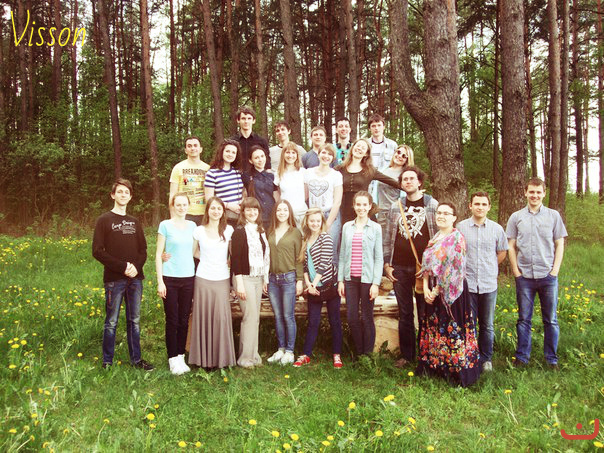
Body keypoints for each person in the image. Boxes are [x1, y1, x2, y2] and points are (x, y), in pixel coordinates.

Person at [417, 201, 481, 387]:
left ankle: (455, 371)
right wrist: (426, 288)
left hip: (452, 292)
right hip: (433, 290)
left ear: (454, 218)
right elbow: (426, 267)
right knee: (435, 328)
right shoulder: (434, 238)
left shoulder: (457, 239)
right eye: (439, 212)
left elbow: (452, 270)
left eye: (446, 213)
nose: (441, 216)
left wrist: (435, 291)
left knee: (452, 329)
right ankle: (436, 366)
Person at [92, 178, 153, 370]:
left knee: (134, 321)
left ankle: (136, 359)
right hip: (114, 280)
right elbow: (97, 251)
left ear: (130, 197)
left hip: (135, 279)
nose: (123, 194)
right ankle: (107, 361)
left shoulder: (135, 222)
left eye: (126, 192)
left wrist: (135, 267)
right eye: (119, 191)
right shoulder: (104, 220)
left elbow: (143, 250)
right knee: (111, 321)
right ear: (113, 195)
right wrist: (122, 267)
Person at [506, 177, 567, 369]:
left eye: (538, 192)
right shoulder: (516, 217)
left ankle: (551, 359)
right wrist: (516, 271)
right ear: (525, 193)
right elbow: (510, 245)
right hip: (524, 277)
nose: (534, 195)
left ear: (544, 193)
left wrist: (555, 270)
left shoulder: (553, 216)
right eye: (531, 191)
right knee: (524, 319)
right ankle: (522, 357)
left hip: (548, 276)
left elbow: (560, 243)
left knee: (551, 319)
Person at [383, 165, 438, 368]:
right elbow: (388, 237)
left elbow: (439, 236)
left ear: (419, 182)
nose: (408, 182)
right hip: (399, 267)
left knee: (425, 312)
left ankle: (426, 354)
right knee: (405, 313)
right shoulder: (395, 207)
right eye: (404, 179)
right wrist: (387, 264)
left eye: (411, 178)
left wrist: (432, 266)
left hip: (424, 269)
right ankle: (407, 356)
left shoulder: (431, 204)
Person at [456, 192, 508, 372]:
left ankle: (486, 359)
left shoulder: (497, 229)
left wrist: (490, 266)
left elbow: (502, 252)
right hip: (468, 284)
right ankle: (471, 356)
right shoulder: (460, 228)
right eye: (476, 203)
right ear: (470, 206)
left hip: (488, 284)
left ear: (489, 207)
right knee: (469, 323)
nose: (480, 207)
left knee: (487, 324)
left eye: (484, 204)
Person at [189, 197, 237, 369]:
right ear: (207, 211)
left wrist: (227, 263)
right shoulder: (199, 230)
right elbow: (193, 252)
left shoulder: (229, 230)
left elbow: (233, 254)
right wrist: (207, 258)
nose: (216, 211)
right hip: (203, 278)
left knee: (220, 318)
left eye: (219, 209)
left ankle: (220, 359)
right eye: (213, 208)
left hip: (222, 279)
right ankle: (203, 360)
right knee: (203, 317)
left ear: (223, 212)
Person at [294, 208, 344, 368]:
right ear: (307, 222)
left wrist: (313, 284)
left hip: (329, 286)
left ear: (322, 222)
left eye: (318, 221)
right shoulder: (306, 238)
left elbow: (324, 264)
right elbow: (304, 265)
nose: (315, 223)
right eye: (312, 221)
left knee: (334, 320)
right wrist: (308, 284)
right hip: (312, 287)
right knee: (313, 321)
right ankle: (306, 354)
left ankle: (337, 354)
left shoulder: (326, 238)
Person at [338, 191, 384, 358]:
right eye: (358, 204)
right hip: (350, 279)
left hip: (367, 280)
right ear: (354, 206)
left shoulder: (376, 228)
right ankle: (359, 353)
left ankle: (368, 355)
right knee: (351, 317)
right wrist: (340, 280)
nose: (361, 208)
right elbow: (342, 255)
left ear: (370, 206)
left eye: (365, 204)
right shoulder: (347, 227)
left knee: (366, 317)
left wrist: (375, 283)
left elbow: (379, 258)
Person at [155, 193, 196, 375]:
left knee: (184, 318)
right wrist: (160, 282)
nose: (181, 208)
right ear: (173, 206)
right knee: (172, 319)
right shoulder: (165, 225)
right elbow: (158, 254)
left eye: (184, 204)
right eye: (178, 205)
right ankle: (172, 358)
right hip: (170, 278)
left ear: (188, 206)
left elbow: (194, 252)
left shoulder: (193, 226)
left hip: (188, 278)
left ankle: (180, 355)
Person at [231, 197, 270, 368]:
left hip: (257, 277)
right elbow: (236, 260)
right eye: (248, 209)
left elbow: (265, 256)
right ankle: (244, 358)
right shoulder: (239, 231)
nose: (252, 212)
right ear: (243, 212)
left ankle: (254, 356)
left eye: (255, 209)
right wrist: (239, 284)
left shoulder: (261, 231)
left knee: (255, 318)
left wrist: (264, 279)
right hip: (244, 278)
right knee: (249, 317)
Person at [266, 200, 304, 365]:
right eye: (279, 210)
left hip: (289, 278)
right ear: (275, 213)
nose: (282, 213)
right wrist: (265, 278)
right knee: (278, 316)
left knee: (288, 316)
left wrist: (299, 280)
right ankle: (280, 349)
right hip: (273, 279)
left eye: (285, 210)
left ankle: (290, 351)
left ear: (289, 213)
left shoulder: (295, 232)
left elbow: (299, 259)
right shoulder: (270, 231)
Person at [337, 138, 400, 225]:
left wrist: (411, 188)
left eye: (363, 148)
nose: (359, 148)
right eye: (358, 146)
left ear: (366, 153)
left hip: (364, 209)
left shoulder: (369, 170)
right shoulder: (340, 169)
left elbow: (390, 181)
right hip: (345, 210)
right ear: (352, 148)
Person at [304, 143, 343, 263]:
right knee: (313, 249)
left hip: (330, 215)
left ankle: (333, 275)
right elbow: (305, 196)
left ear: (333, 158)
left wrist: (328, 224)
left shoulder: (336, 175)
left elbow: (337, 202)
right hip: (313, 216)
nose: (326, 156)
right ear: (318, 154)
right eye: (324, 152)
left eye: (330, 154)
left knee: (330, 251)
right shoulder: (308, 172)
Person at [169, 136, 210, 225]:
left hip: (203, 213)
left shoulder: (208, 169)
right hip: (183, 212)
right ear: (185, 150)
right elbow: (172, 195)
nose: (193, 148)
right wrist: (173, 218)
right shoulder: (178, 168)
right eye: (189, 146)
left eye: (195, 145)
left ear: (201, 149)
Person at [204, 139, 245, 227]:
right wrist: (228, 205)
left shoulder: (238, 172)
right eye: (227, 151)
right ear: (221, 152)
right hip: (224, 216)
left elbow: (242, 192)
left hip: (239, 217)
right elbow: (209, 199)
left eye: (233, 152)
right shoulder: (212, 173)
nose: (230, 154)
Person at [375, 144, 414, 234]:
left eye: (404, 156)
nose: (399, 156)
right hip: (379, 213)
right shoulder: (383, 169)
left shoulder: (405, 175)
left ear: (407, 160)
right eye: (398, 152)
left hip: (395, 214)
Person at [243, 145, 278, 229]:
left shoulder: (272, 176)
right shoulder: (246, 176)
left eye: (262, 156)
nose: (260, 160)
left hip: (271, 216)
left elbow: (276, 196)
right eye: (256, 158)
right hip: (254, 216)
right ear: (251, 161)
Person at [275, 142, 308, 228]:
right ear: (283, 154)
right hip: (286, 215)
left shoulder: (303, 172)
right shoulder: (278, 173)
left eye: (293, 153)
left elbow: (306, 193)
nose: (290, 155)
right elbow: (277, 193)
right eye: (288, 152)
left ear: (297, 155)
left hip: (302, 214)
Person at [230, 106, 270, 172]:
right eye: (243, 118)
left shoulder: (261, 141)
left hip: (257, 177)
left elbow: (267, 164)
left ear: (253, 121)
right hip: (237, 176)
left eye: (249, 118)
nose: (246, 121)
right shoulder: (232, 142)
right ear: (238, 120)